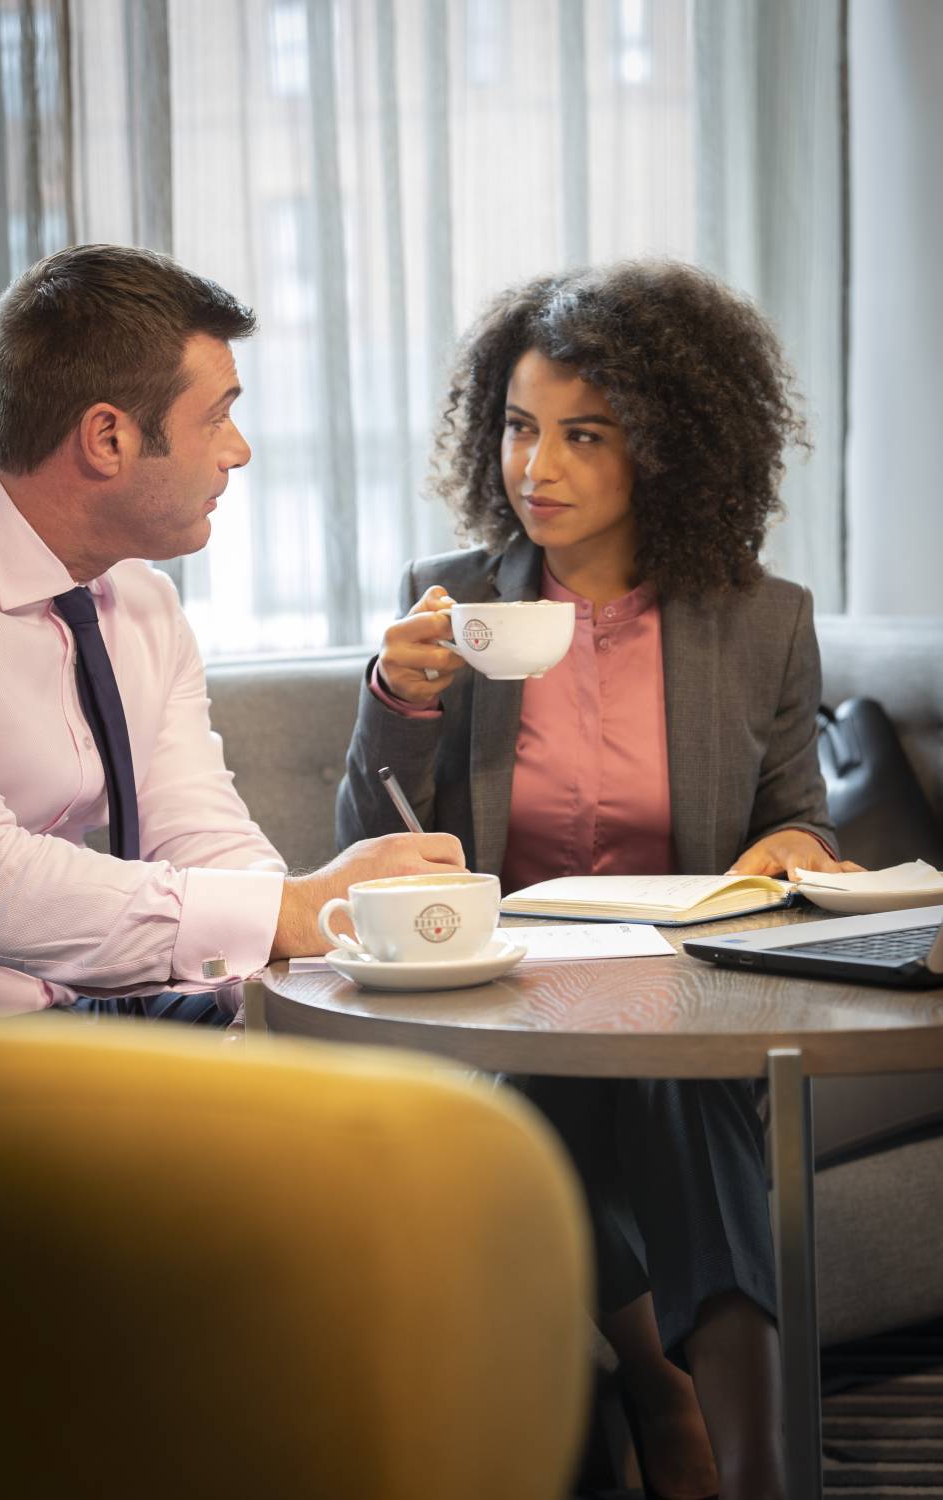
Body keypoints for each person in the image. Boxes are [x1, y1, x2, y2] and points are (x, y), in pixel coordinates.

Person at [337, 262, 861, 1500]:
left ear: (666, 449)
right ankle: (661, 1386)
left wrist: (798, 851)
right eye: (521, 428)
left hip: (683, 989)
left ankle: (751, 1468)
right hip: (504, 991)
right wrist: (395, 702)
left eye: (584, 435)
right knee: (557, 1080)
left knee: (680, 1083)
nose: (539, 468)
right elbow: (369, 842)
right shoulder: (453, 600)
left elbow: (796, 822)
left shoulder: (759, 620)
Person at [0, 243, 463, 1022]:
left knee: (387, 1059)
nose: (240, 450)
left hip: (114, 1020)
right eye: (217, 416)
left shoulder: (143, 603)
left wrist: (295, 959)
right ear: (108, 438)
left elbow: (198, 831)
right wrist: (292, 911)